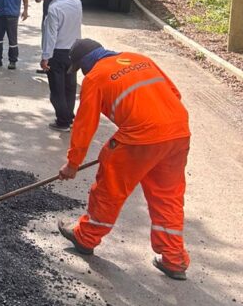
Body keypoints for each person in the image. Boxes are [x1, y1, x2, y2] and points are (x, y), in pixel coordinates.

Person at [57, 37, 192, 281]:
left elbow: (84, 126)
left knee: (109, 189)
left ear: (84, 64)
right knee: (168, 197)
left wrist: (73, 164)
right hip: (178, 132)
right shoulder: (140, 59)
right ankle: (174, 258)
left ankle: (85, 238)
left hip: (139, 138)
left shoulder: (95, 77)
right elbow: (174, 93)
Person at [40, 0, 82, 131]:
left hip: (57, 53)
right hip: (74, 51)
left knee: (57, 90)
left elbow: (51, 35)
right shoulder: (77, 3)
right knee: (70, 87)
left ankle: (63, 121)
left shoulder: (54, 8)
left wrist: (45, 57)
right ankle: (69, 117)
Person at [35, 0, 74, 73]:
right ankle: (47, 64)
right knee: (46, 41)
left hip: (61, 19)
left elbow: (66, 1)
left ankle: (55, 66)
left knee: (58, 43)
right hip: (47, 18)